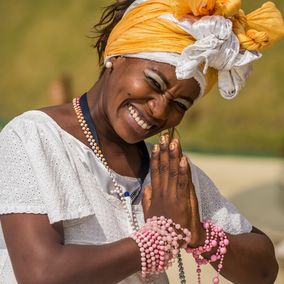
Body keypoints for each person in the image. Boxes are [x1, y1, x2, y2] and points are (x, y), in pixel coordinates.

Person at [0, 0, 283, 283]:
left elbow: (264, 271)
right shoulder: (32, 138)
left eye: (180, 105)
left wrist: (199, 234)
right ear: (117, 54)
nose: (159, 111)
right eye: (154, 82)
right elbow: (40, 274)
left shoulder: (163, 171)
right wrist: (157, 238)